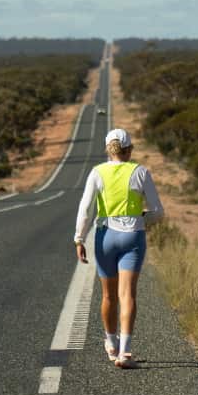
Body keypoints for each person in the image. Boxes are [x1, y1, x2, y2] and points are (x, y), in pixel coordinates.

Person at [74, 127, 164, 368]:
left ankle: (111, 343)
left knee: (108, 295)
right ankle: (125, 353)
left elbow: (85, 209)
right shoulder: (140, 172)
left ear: (108, 149)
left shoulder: (97, 172)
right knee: (128, 295)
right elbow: (158, 212)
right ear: (129, 149)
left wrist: (79, 239)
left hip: (105, 237)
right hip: (132, 236)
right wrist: (141, 219)